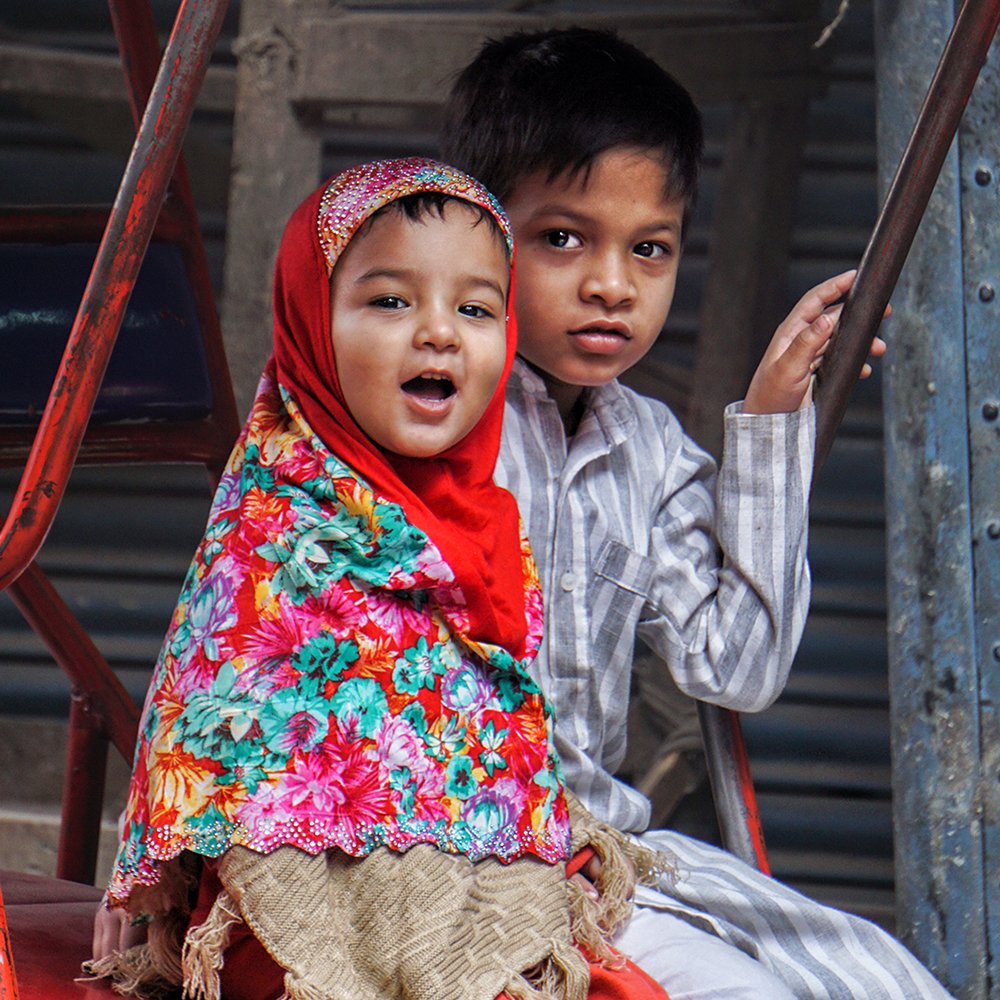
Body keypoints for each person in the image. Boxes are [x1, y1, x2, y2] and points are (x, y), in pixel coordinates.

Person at [441, 27, 954, 1000]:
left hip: (594, 861)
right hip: (439, 865)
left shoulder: (654, 454)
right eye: (562, 238)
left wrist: (769, 422)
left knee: (868, 985)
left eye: (649, 248)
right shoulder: (427, 413)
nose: (612, 284)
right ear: (478, 237)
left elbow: (736, 667)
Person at [86, 157, 671, 1000]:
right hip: (293, 913)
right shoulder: (276, 519)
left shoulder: (483, 525)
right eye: (391, 301)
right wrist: (144, 870)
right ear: (312, 326)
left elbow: (495, 746)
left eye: (476, 309)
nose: (440, 333)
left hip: (468, 887)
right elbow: (198, 716)